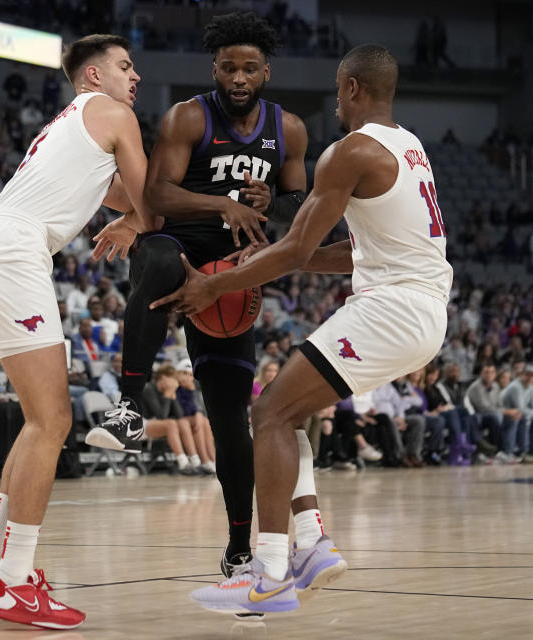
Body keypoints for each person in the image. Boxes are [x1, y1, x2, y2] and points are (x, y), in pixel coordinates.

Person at [152, 44, 451, 614]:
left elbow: (294, 249)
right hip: (422, 309)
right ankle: (311, 543)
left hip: (393, 309)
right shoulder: (410, 148)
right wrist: (290, 254)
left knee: (268, 414)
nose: (336, 103)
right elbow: (345, 251)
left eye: (339, 91)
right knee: (287, 411)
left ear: (354, 89)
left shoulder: (348, 153)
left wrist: (213, 286)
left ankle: (267, 575)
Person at [87, 12, 319, 582]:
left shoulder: (288, 129)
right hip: (175, 244)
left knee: (230, 417)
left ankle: (240, 545)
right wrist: (223, 205)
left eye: (249, 68)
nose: (238, 77)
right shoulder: (188, 116)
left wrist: (272, 205)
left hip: (232, 278)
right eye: (228, 67)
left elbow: (301, 212)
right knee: (160, 259)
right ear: (214, 68)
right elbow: (158, 194)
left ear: (265, 71)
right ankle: (129, 410)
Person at [0, 34, 152, 629]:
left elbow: (124, 197)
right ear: (92, 76)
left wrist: (129, 217)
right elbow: (150, 203)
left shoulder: (75, 124)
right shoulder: (114, 114)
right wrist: (138, 221)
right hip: (14, 252)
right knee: (54, 422)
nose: (135, 76)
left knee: (37, 420)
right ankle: (14, 583)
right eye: (124, 66)